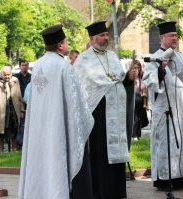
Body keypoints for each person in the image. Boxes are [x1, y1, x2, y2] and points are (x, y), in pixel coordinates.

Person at [18, 24, 94, 199]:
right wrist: (87, 118)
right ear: (60, 45)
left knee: (40, 164)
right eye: (66, 42)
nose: (67, 44)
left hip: (39, 131)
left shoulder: (37, 65)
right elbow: (77, 104)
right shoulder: (63, 67)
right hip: (58, 129)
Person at [73, 21, 136, 199]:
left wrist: (129, 79)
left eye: (107, 34)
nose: (106, 38)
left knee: (115, 155)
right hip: (98, 116)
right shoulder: (83, 60)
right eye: (102, 35)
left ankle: (116, 191)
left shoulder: (113, 57)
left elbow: (119, 81)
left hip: (115, 114)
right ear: (92, 39)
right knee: (100, 155)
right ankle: (100, 192)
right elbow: (85, 89)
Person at [142, 21, 183, 191]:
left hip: (182, 108)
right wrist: (161, 69)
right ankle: (164, 180)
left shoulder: (181, 57)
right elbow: (150, 83)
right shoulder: (154, 58)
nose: (174, 38)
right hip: (164, 110)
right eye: (171, 36)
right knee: (166, 143)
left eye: (176, 35)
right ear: (161, 37)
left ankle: (182, 178)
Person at [0, 65, 24, 153]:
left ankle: (14, 152)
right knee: (0, 133)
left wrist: (21, 110)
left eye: (8, 75)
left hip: (13, 111)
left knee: (14, 132)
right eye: (5, 75)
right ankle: (0, 153)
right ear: (2, 74)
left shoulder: (15, 81)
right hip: (1, 112)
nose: (7, 77)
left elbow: (19, 96)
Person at [132, 60, 149, 140]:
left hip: (141, 100)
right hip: (133, 100)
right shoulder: (130, 77)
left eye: (138, 68)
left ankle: (138, 135)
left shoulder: (142, 77)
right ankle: (134, 135)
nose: (137, 69)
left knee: (140, 118)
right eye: (135, 68)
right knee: (134, 118)